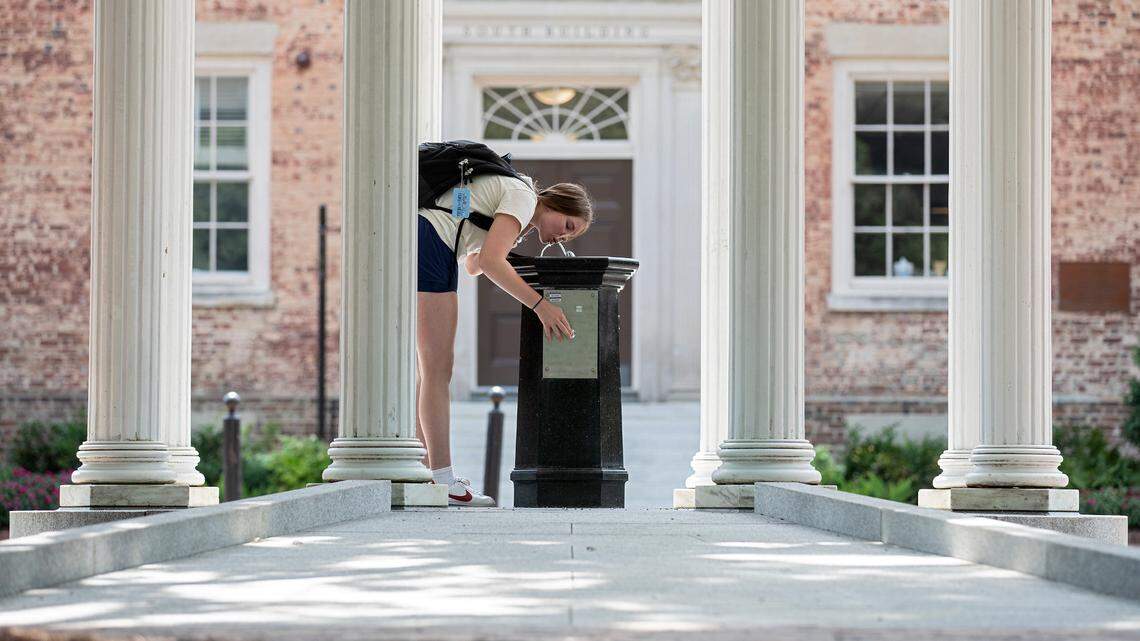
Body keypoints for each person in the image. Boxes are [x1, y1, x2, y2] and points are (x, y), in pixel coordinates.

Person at [417, 173, 595, 506]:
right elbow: (488, 263)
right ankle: (442, 480)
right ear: (557, 204)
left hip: (431, 240)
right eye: (568, 226)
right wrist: (541, 305)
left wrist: (509, 244)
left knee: (429, 370)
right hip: (433, 242)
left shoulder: (519, 210)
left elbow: (472, 264)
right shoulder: (523, 196)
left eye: (569, 237)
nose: (562, 238)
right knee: (437, 369)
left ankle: (425, 473)